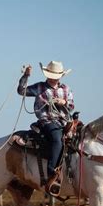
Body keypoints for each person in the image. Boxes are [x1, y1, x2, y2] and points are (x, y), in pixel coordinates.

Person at [17, 61, 74, 194]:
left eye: (56, 75)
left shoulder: (66, 89)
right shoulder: (39, 87)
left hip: (64, 121)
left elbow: (71, 106)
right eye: (51, 75)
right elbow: (21, 91)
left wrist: (64, 102)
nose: (54, 77)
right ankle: (52, 174)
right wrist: (26, 76)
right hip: (46, 120)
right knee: (57, 139)